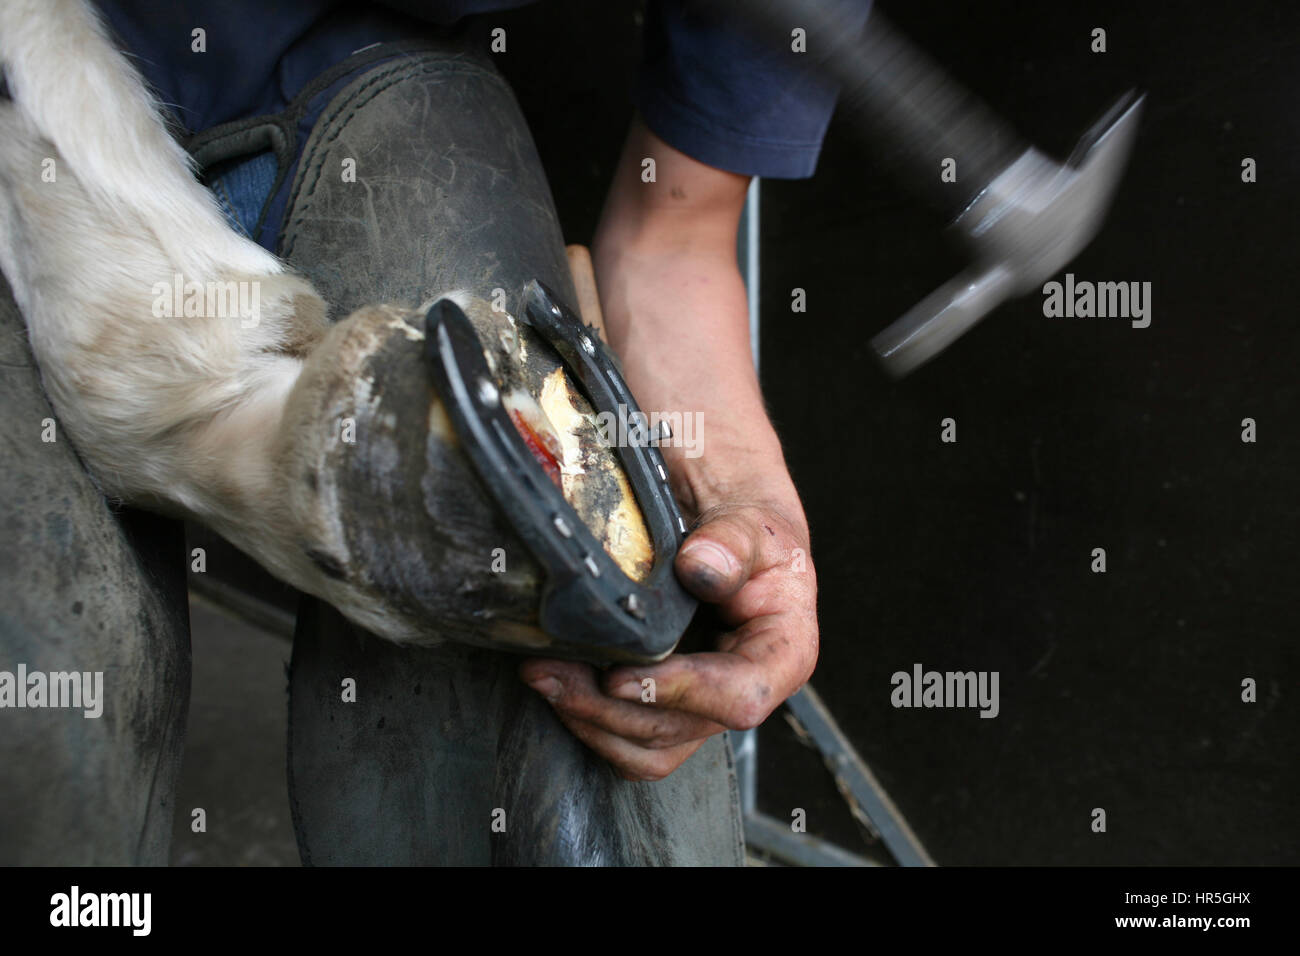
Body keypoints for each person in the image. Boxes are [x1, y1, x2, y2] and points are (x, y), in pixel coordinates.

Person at [2, 0, 870, 864]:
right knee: (53, 714)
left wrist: (747, 505)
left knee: (570, 757)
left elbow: (674, 235)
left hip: (361, 73)